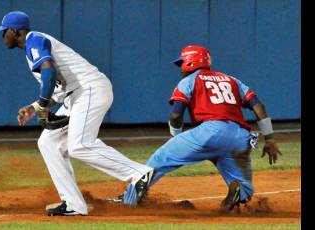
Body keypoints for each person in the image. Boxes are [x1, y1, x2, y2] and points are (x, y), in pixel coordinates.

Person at [0, 11, 154, 216]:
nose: (2, 36)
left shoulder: (35, 40)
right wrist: (35, 106)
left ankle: (138, 173)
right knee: (48, 142)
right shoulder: (31, 50)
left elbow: (49, 72)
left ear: (15, 31)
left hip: (89, 90)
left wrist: (42, 106)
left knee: (79, 145)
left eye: (4, 31)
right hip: (76, 95)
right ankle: (74, 204)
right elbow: (57, 89)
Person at [117, 45, 282, 211]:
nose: (181, 68)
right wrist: (269, 139)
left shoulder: (188, 81)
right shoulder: (232, 80)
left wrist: (176, 135)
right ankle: (239, 193)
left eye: (182, 62)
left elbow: (175, 115)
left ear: (190, 62)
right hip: (240, 137)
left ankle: (129, 199)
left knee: (159, 159)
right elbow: (258, 106)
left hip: (209, 132)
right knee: (243, 185)